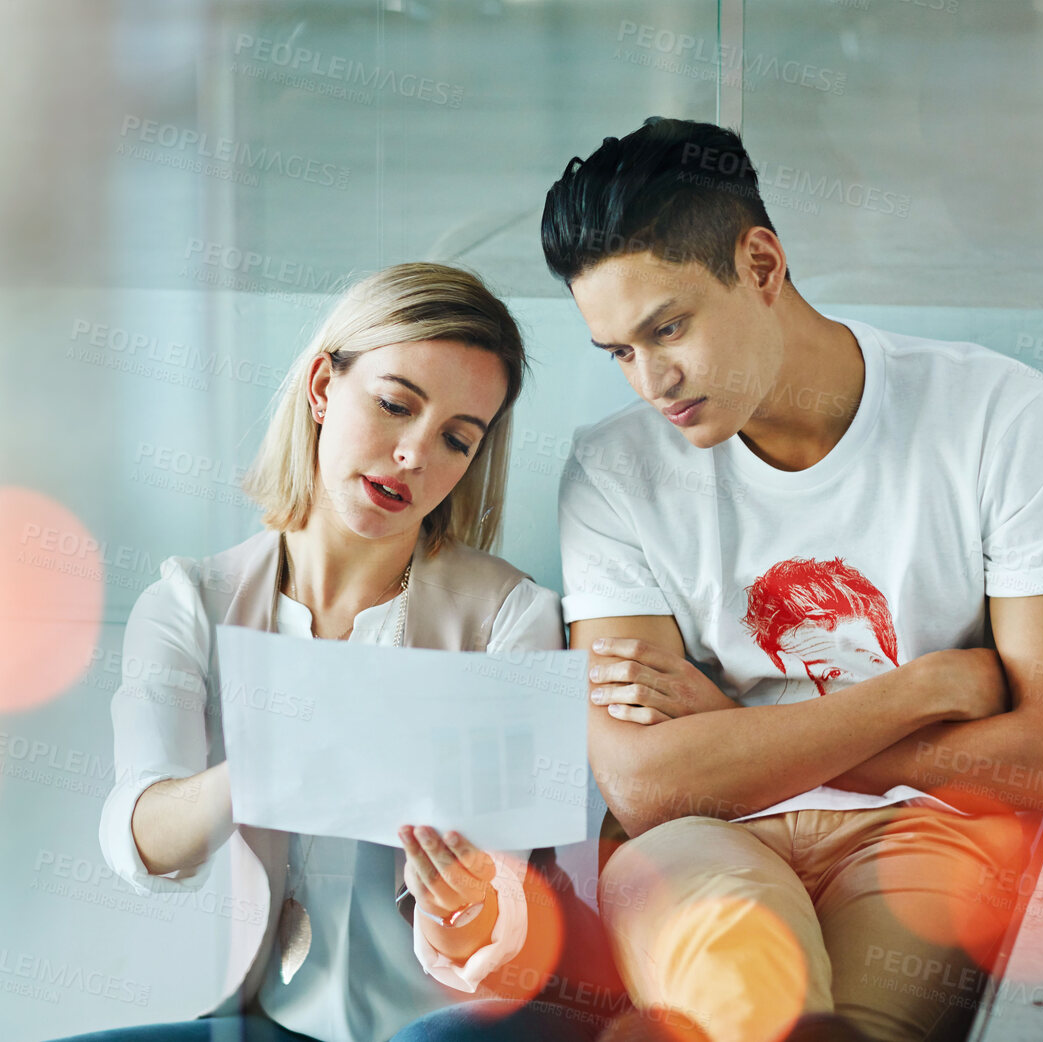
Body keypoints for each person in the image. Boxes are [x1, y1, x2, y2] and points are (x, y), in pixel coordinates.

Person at [540, 118, 1043, 1042]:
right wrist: (921, 691)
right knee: (744, 1008)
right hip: (701, 835)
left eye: (667, 327)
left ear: (761, 265)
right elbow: (646, 788)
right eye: (619, 352)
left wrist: (731, 736)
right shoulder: (612, 471)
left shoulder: (993, 413)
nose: (649, 382)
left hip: (924, 830)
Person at [59, 263, 622, 1042]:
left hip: (450, 1017)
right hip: (266, 1015)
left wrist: (461, 904)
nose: (415, 455)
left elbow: (505, 915)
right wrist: (265, 763)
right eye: (395, 405)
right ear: (323, 387)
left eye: (457, 439)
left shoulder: (510, 617)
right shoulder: (189, 602)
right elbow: (142, 841)